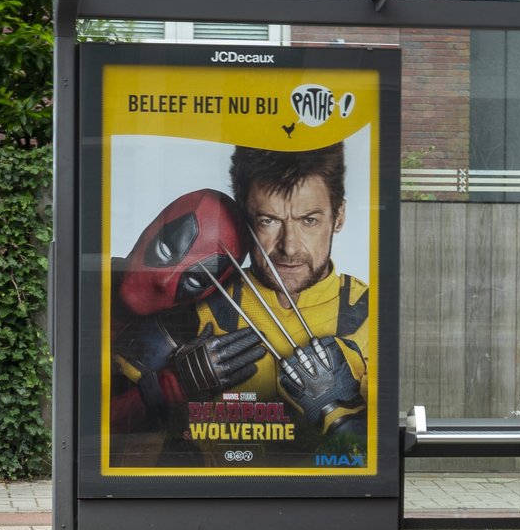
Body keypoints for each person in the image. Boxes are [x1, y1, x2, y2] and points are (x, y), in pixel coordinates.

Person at [110, 144, 370, 466]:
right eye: (269, 221)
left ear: (339, 216)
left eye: (309, 220)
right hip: (214, 503)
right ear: (246, 221)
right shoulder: (195, 306)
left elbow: (375, 463)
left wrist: (342, 413)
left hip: (325, 506)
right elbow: (107, 434)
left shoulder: (370, 317)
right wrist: (167, 389)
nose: (289, 247)